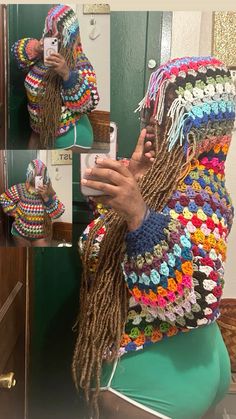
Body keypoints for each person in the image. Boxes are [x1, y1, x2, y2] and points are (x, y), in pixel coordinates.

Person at [72, 56, 235, 419]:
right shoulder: (176, 181)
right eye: (152, 109)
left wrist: (138, 215)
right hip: (197, 361)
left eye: (167, 112)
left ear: (200, 125)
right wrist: (136, 188)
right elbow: (106, 249)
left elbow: (196, 300)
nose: (152, 122)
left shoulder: (198, 195)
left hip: (152, 372)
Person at [11, 5, 99, 150]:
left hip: (71, 137)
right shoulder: (42, 57)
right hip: (42, 131)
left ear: (71, 34)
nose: (55, 35)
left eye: (61, 31)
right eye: (51, 30)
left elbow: (89, 104)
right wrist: (37, 48)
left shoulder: (80, 62)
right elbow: (16, 51)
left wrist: (67, 75)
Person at [0, 159, 65, 246]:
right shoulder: (21, 188)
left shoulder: (48, 190)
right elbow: (4, 198)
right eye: (34, 175)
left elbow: (58, 213)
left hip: (42, 236)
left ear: (45, 176)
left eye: (40, 176)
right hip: (19, 234)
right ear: (29, 175)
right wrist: (15, 213)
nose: (37, 179)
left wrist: (45, 197)